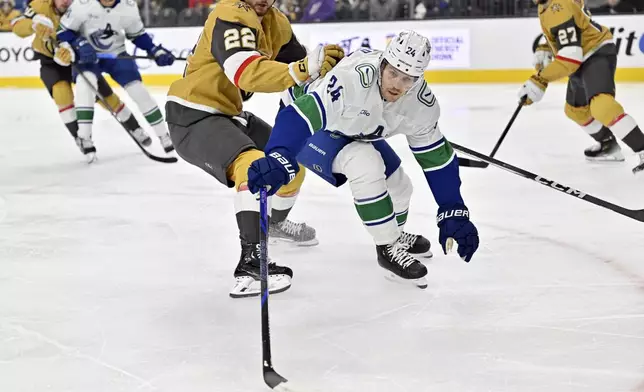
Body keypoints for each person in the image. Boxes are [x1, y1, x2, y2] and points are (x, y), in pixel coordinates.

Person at [247, 30, 480, 289]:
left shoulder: (421, 103)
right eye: (392, 73)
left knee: (401, 187)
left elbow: (436, 158)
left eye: (407, 79)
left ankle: (394, 236)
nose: (397, 85)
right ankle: (388, 248)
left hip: (354, 128)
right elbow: (300, 116)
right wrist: (280, 155)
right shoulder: (352, 81)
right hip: (313, 126)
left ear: (418, 78)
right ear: (383, 64)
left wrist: (452, 208)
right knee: (366, 164)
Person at [164, 0, 345, 298]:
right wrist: (302, 69)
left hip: (230, 115)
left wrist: (334, 74)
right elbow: (244, 72)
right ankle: (250, 263)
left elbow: (305, 74)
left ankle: (272, 224)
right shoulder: (231, 11)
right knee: (254, 165)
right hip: (193, 115)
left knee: (291, 162)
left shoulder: (277, 23)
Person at [11, 0, 148, 162]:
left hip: (78, 58)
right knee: (62, 94)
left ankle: (135, 127)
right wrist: (33, 25)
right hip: (50, 60)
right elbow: (16, 24)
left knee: (106, 98)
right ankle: (81, 138)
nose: (66, 1)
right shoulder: (40, 5)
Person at [525, 0, 644, 174]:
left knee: (602, 106)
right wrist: (547, 46)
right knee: (575, 110)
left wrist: (540, 80)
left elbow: (570, 58)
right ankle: (608, 144)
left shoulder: (558, 6)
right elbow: (573, 23)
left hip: (594, 53)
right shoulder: (547, 4)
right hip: (583, 56)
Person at [55, 0, 176, 161]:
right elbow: (63, 32)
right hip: (88, 58)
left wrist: (154, 49)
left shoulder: (128, 6)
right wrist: (80, 43)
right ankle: (84, 138)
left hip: (117, 55)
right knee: (85, 88)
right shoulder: (82, 4)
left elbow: (137, 35)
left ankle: (163, 135)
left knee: (139, 92)